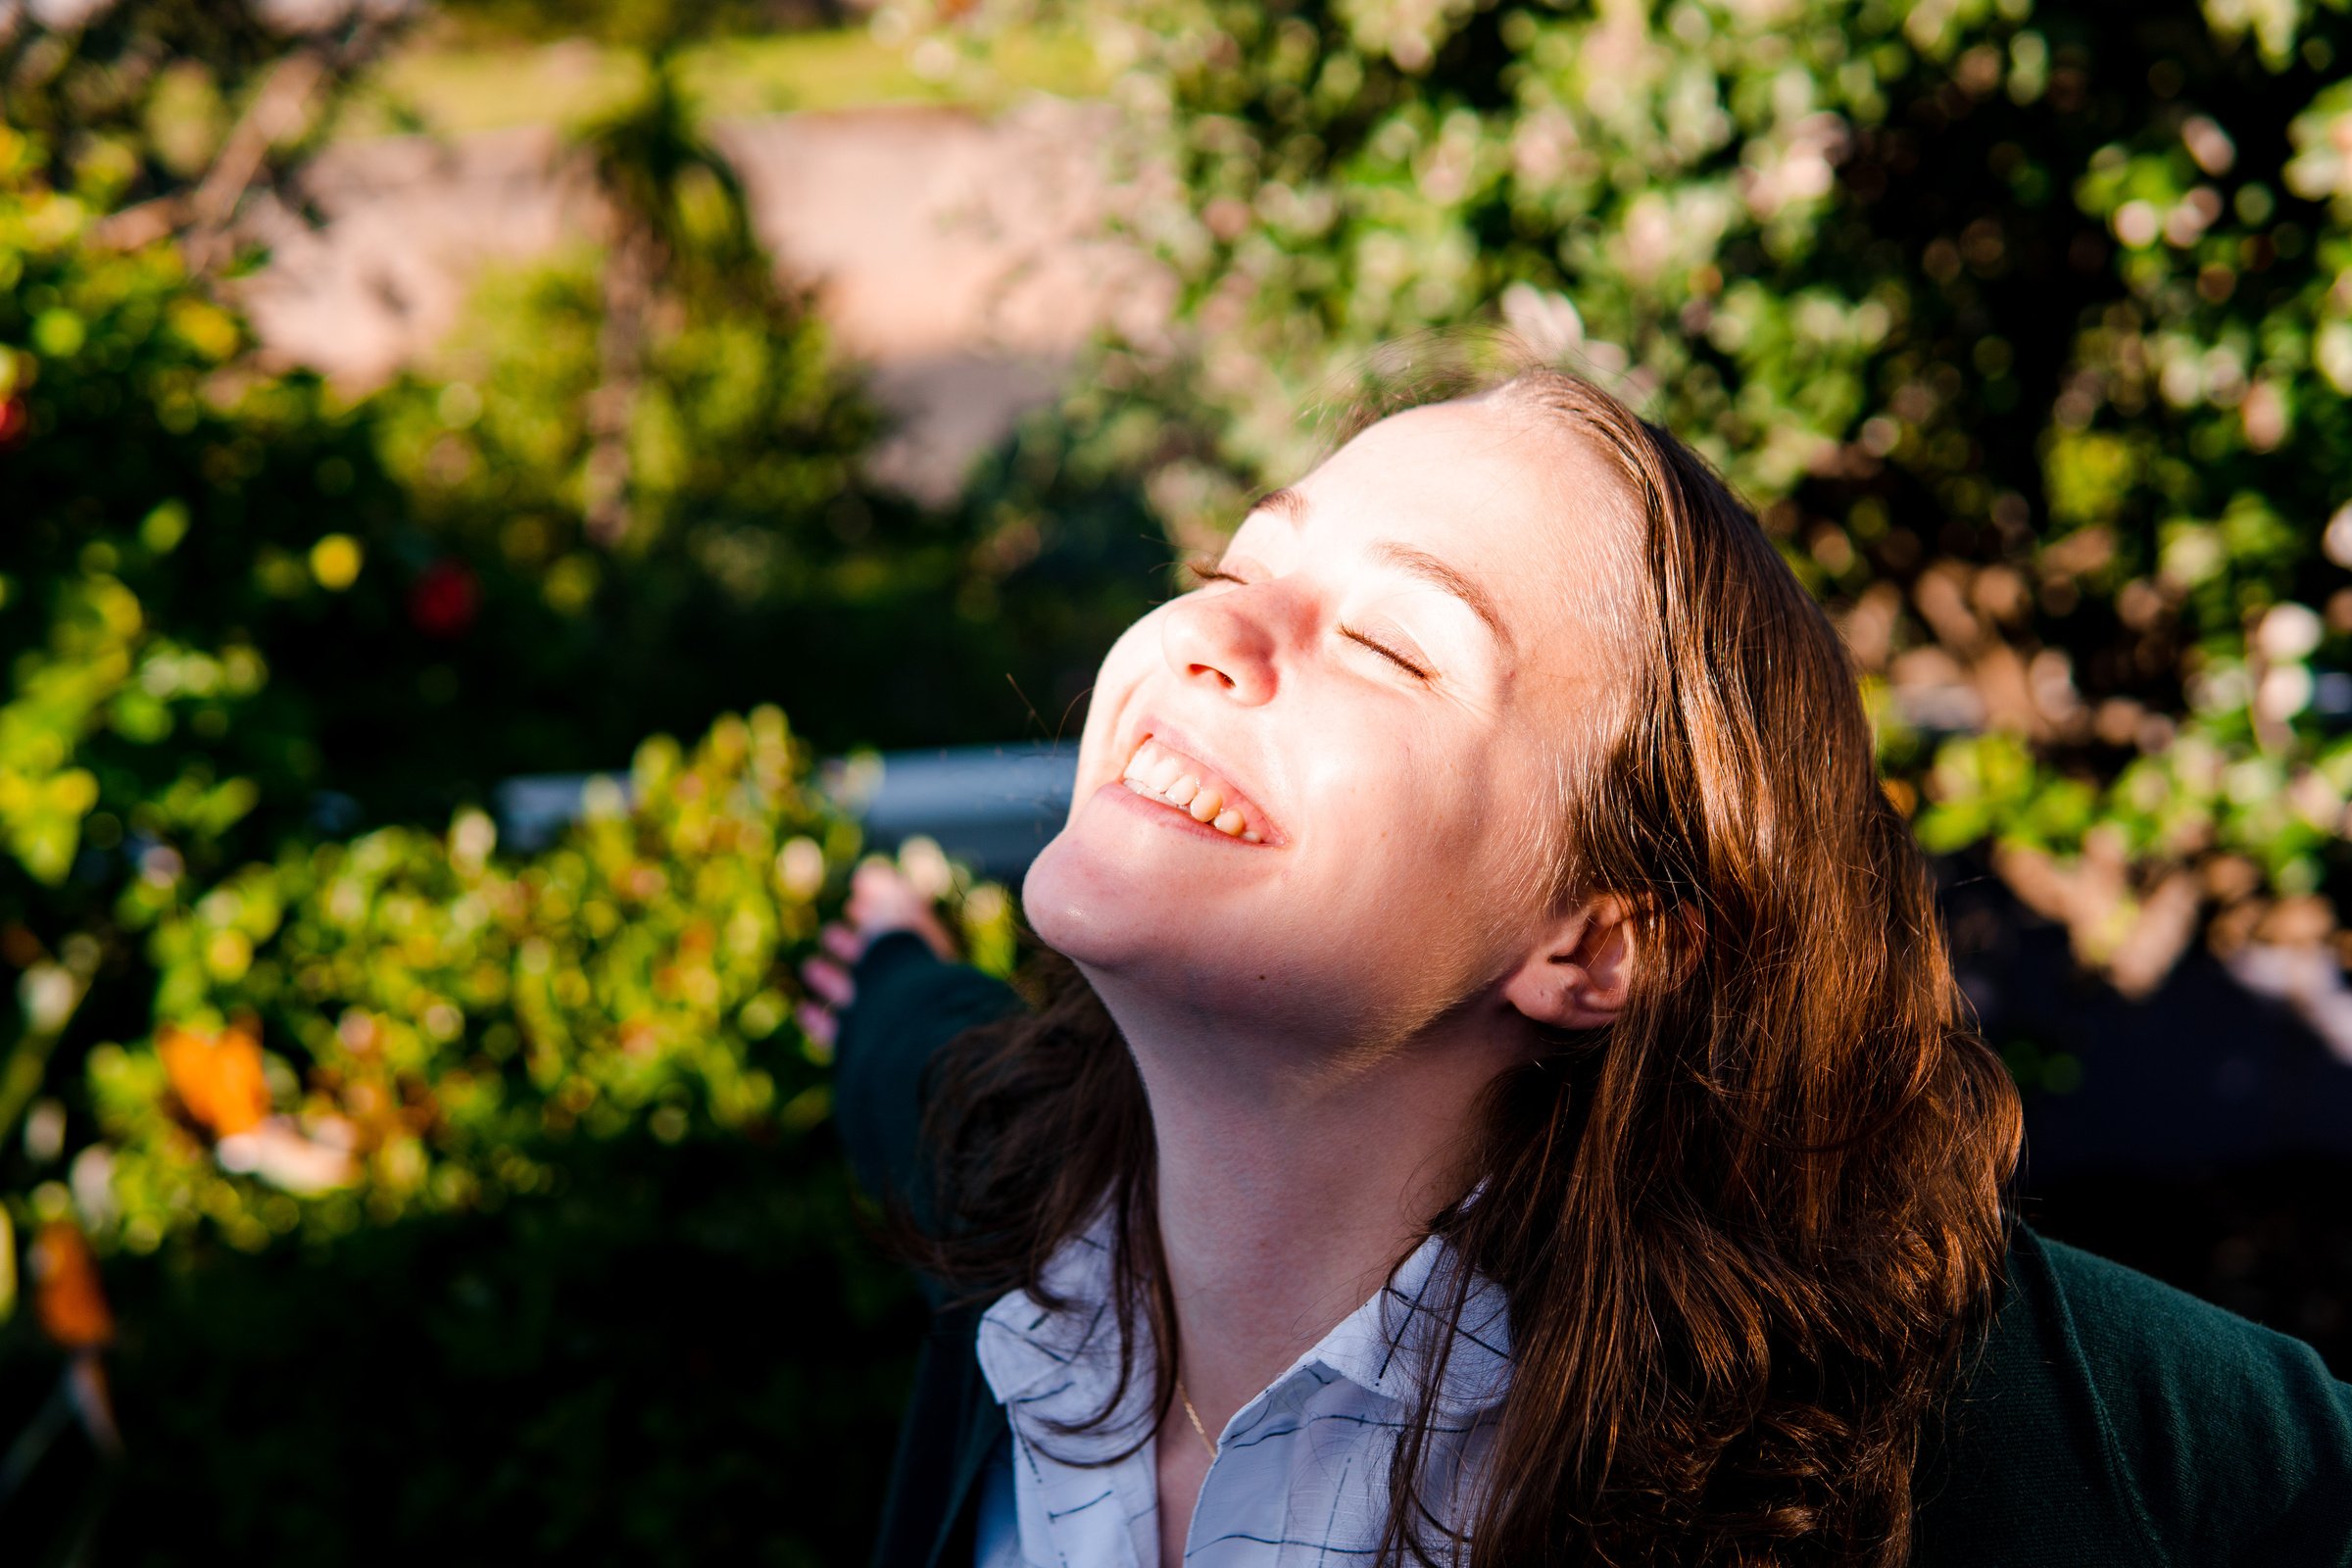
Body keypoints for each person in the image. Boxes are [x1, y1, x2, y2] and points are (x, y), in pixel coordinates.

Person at [798, 366, 2352, 1567]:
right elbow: (914, 1060)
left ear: (1596, 940)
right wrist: (885, 973)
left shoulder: (1900, 1419)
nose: (1217, 635)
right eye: (1237, 564)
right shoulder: (999, 1187)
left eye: (1395, 645)